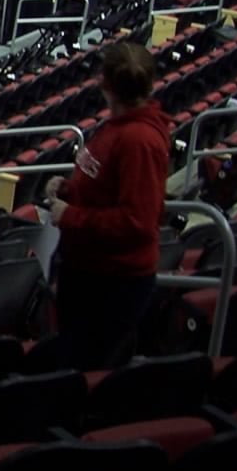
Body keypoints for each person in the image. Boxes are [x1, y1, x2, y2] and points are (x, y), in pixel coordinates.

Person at [46, 42, 168, 370]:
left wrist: (70, 215)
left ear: (106, 85)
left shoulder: (139, 140)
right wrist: (71, 189)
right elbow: (108, 186)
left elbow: (137, 222)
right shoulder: (118, 126)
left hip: (110, 281)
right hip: (89, 271)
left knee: (88, 368)